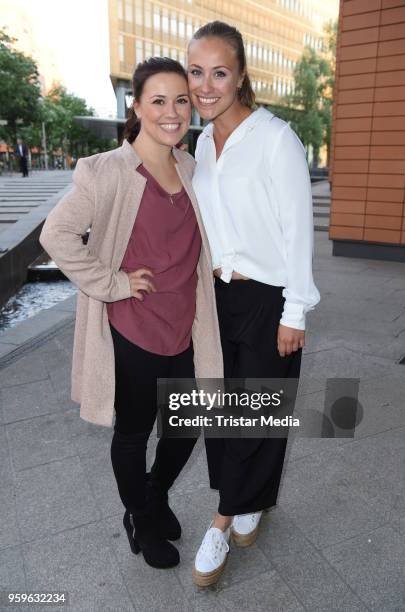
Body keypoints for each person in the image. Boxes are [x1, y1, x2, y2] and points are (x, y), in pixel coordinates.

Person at [39, 57, 223, 570]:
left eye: (181, 100)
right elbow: (56, 236)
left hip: (184, 328)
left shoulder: (190, 167)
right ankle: (139, 517)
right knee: (135, 432)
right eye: (158, 100)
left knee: (185, 428)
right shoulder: (105, 171)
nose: (172, 111)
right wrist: (113, 284)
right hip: (133, 331)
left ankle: (154, 495)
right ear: (136, 106)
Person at [187, 21, 320, 586]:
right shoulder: (200, 143)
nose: (206, 85)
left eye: (219, 72)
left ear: (241, 75)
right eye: (197, 72)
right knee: (224, 412)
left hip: (268, 298)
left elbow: (299, 230)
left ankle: (222, 518)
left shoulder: (275, 138)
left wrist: (296, 310)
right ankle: (248, 499)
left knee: (259, 411)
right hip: (218, 298)